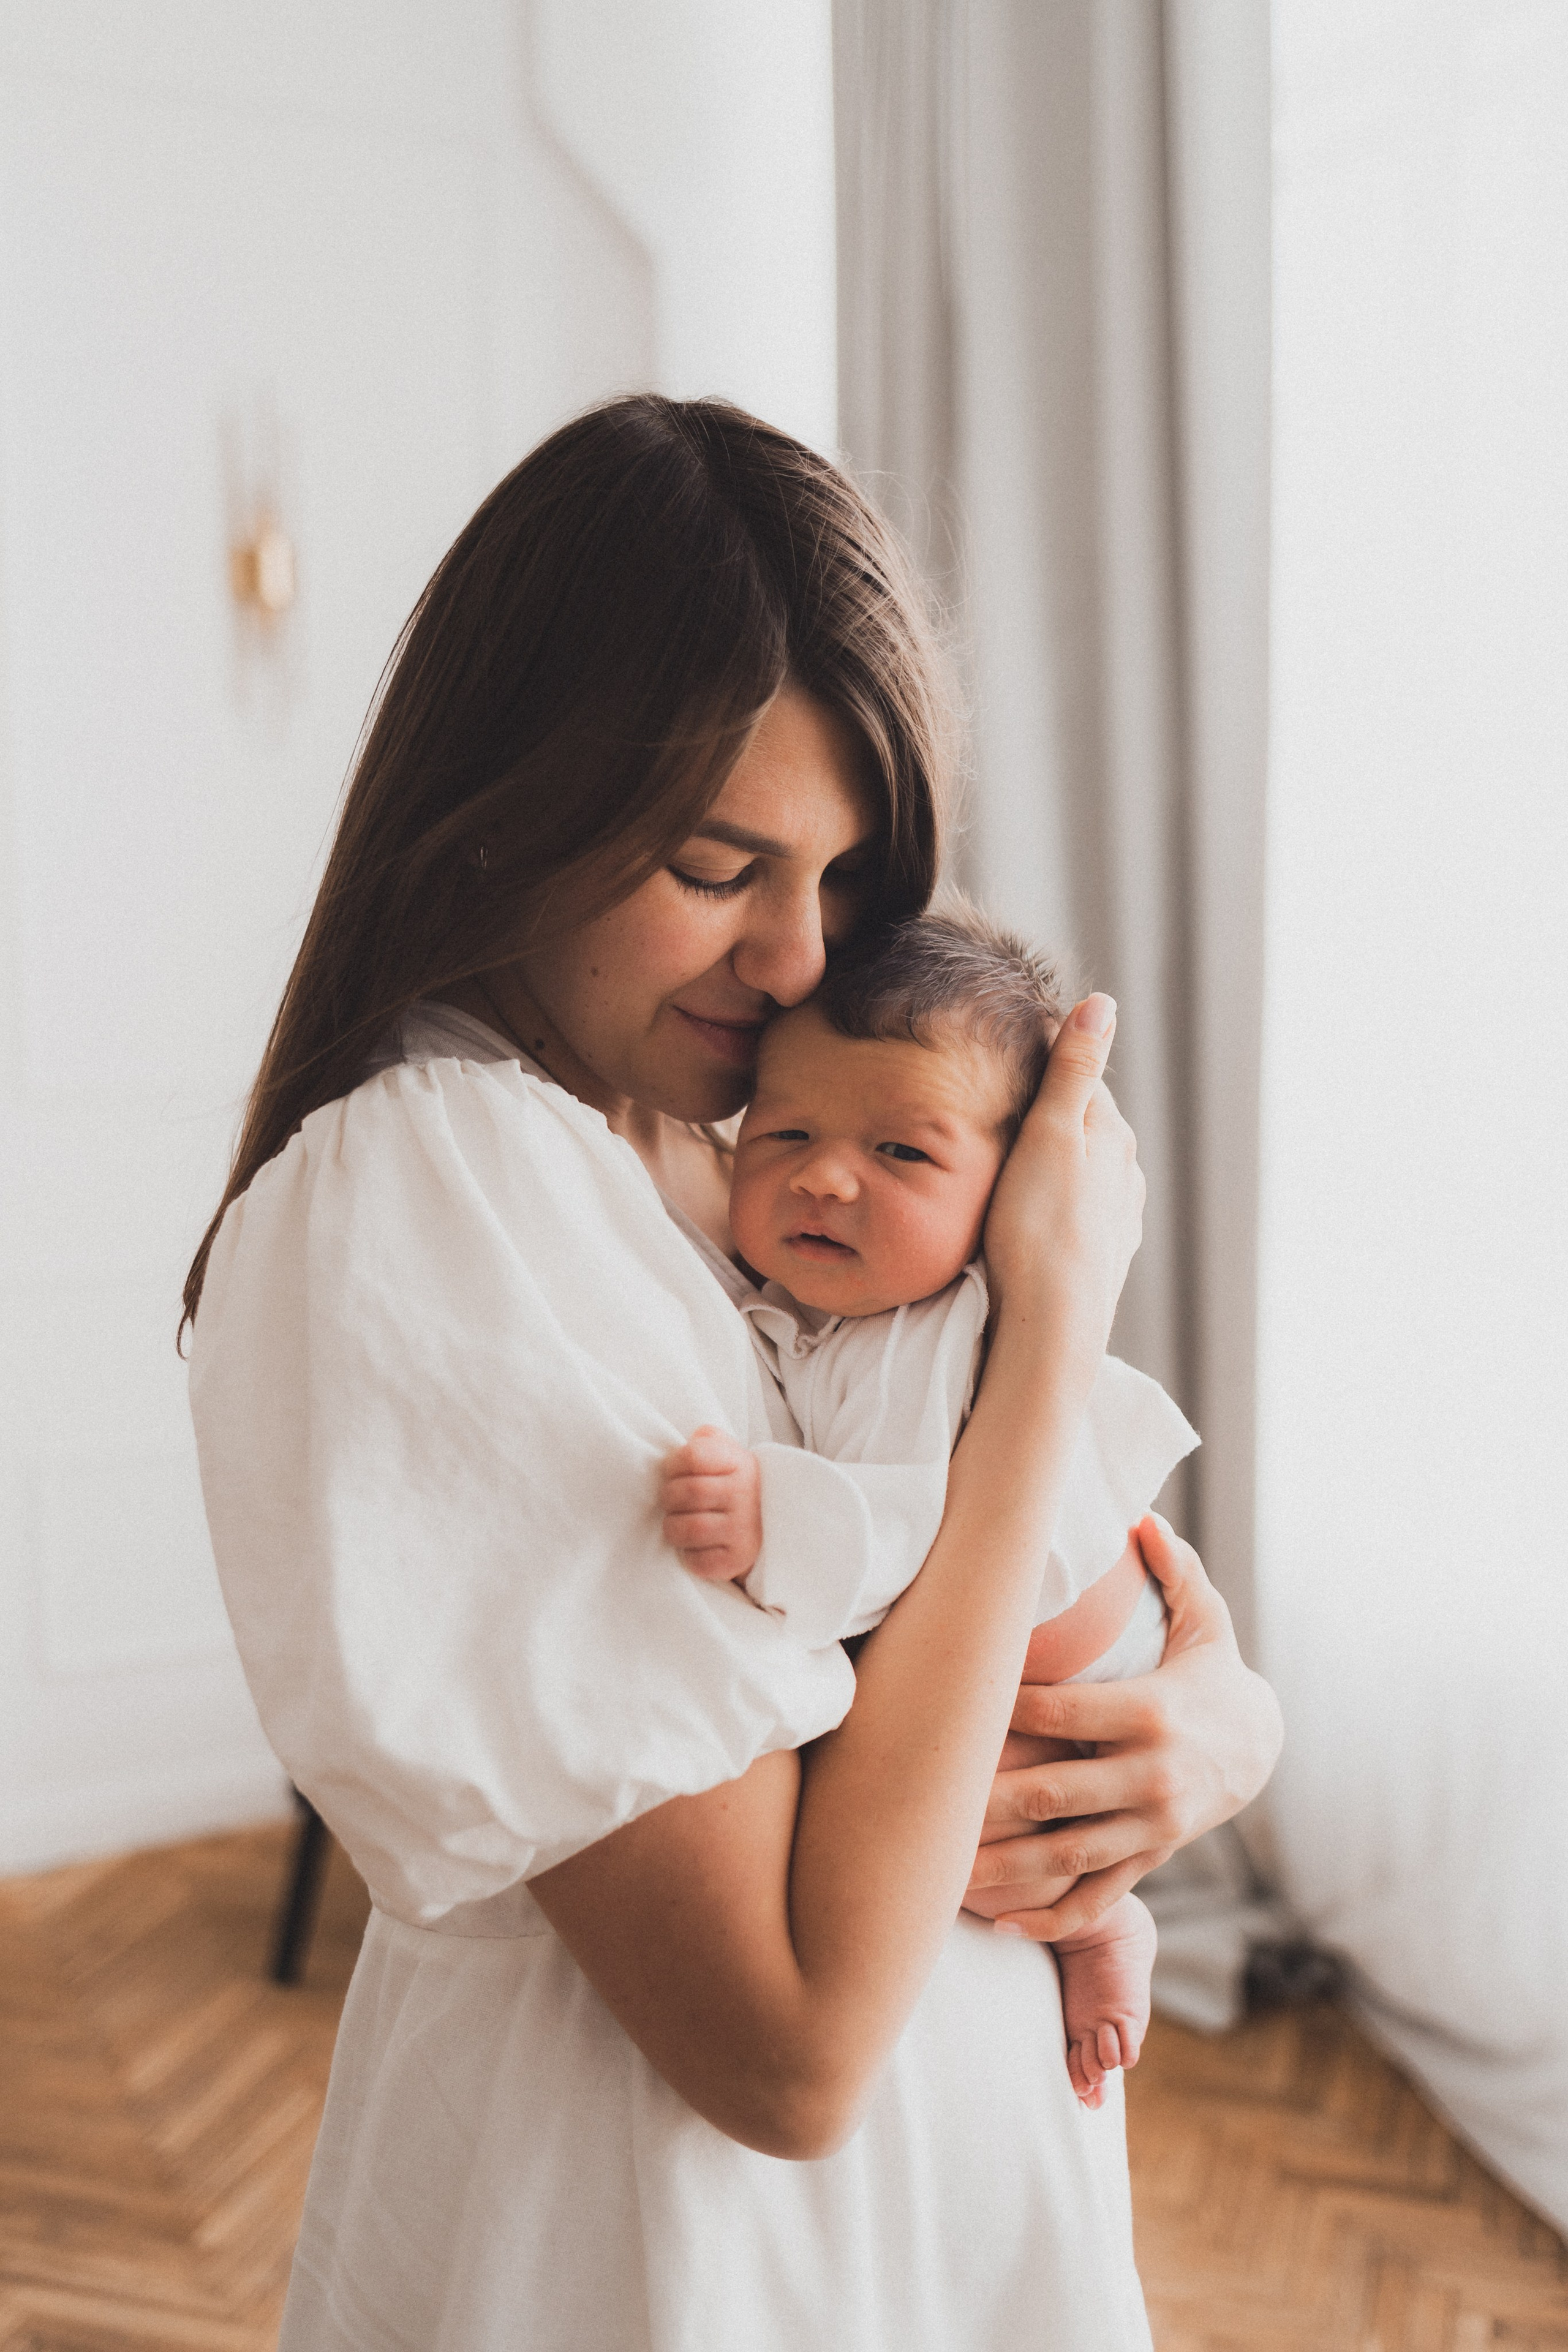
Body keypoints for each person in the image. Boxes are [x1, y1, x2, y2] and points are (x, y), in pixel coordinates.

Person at [184, 395, 1283, 2350]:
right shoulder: (446, 1186)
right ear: (514, 803)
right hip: (675, 2249)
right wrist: (1054, 1335)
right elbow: (790, 2046)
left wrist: (1209, 1732)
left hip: (945, 2224)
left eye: (848, 885)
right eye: (718, 866)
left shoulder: (733, 1163)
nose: (797, 960)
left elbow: (1001, 1615)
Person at [657, 896, 1199, 2109]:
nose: (825, 1177)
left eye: (901, 1154)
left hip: (1074, 1665)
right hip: (1040, 1653)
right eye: (783, 1134)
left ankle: (1100, 1921)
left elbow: (916, 1540)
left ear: (1008, 1195)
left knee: (966, 1823)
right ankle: (1098, 1919)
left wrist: (771, 1517)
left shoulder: (930, 1336)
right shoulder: (823, 1310)